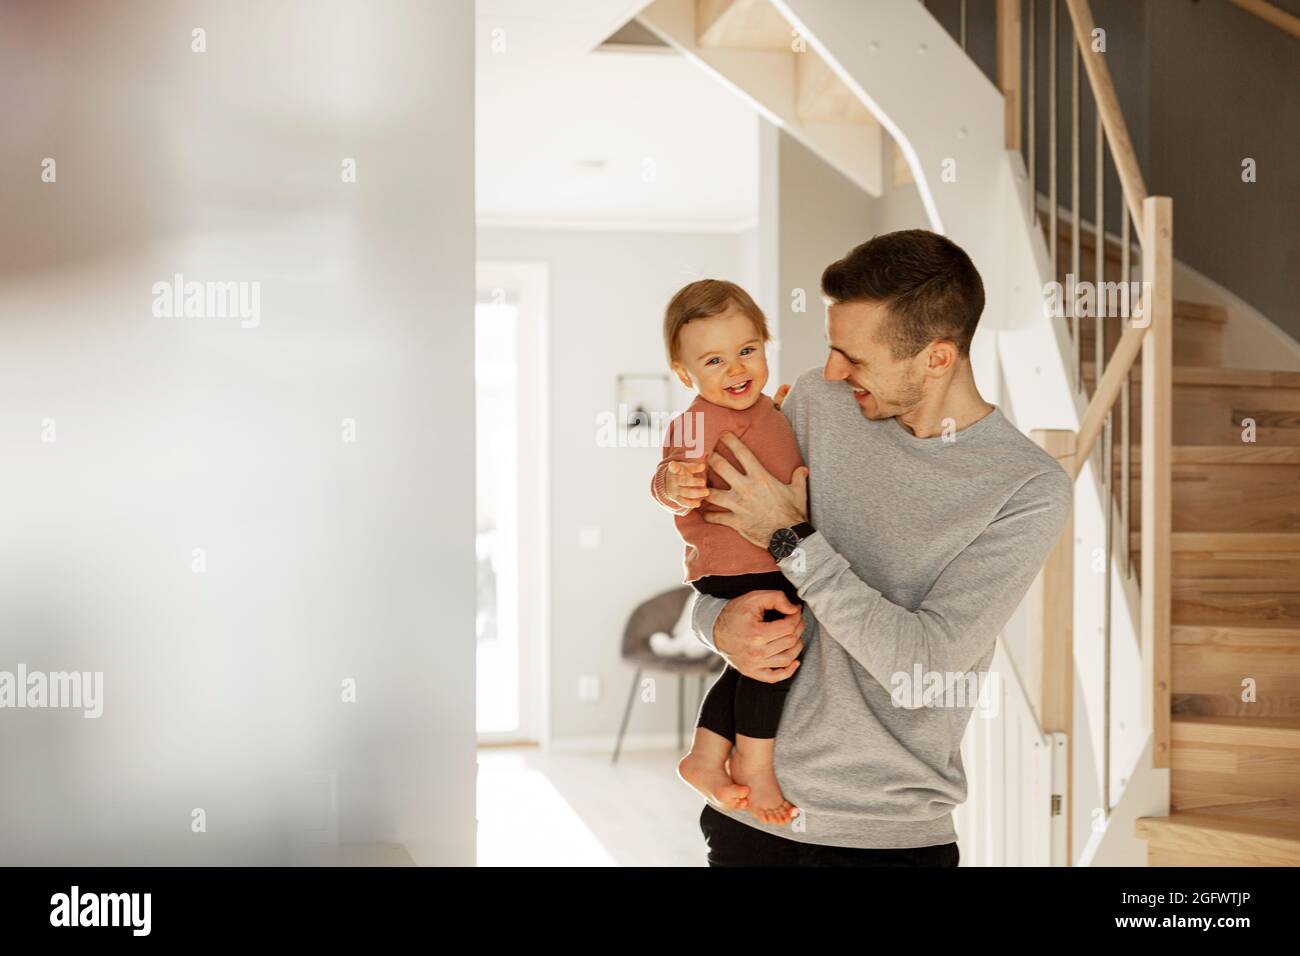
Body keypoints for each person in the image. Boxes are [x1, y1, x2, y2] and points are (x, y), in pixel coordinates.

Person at [687, 229, 1072, 866]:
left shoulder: (1025, 488)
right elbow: (725, 561)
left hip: (888, 842)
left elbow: (919, 670)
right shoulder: (817, 404)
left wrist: (791, 538)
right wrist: (715, 625)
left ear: (937, 359)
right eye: (832, 349)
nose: (833, 371)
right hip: (750, 819)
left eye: (855, 358)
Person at [650, 279, 808, 825]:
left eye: (747, 351)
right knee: (774, 661)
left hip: (773, 559)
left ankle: (704, 756)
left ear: (766, 344)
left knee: (746, 668)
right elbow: (666, 480)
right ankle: (756, 768)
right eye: (714, 360)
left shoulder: (773, 410)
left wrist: (785, 416)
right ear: (684, 373)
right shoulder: (695, 422)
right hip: (737, 563)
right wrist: (674, 482)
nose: (737, 369)